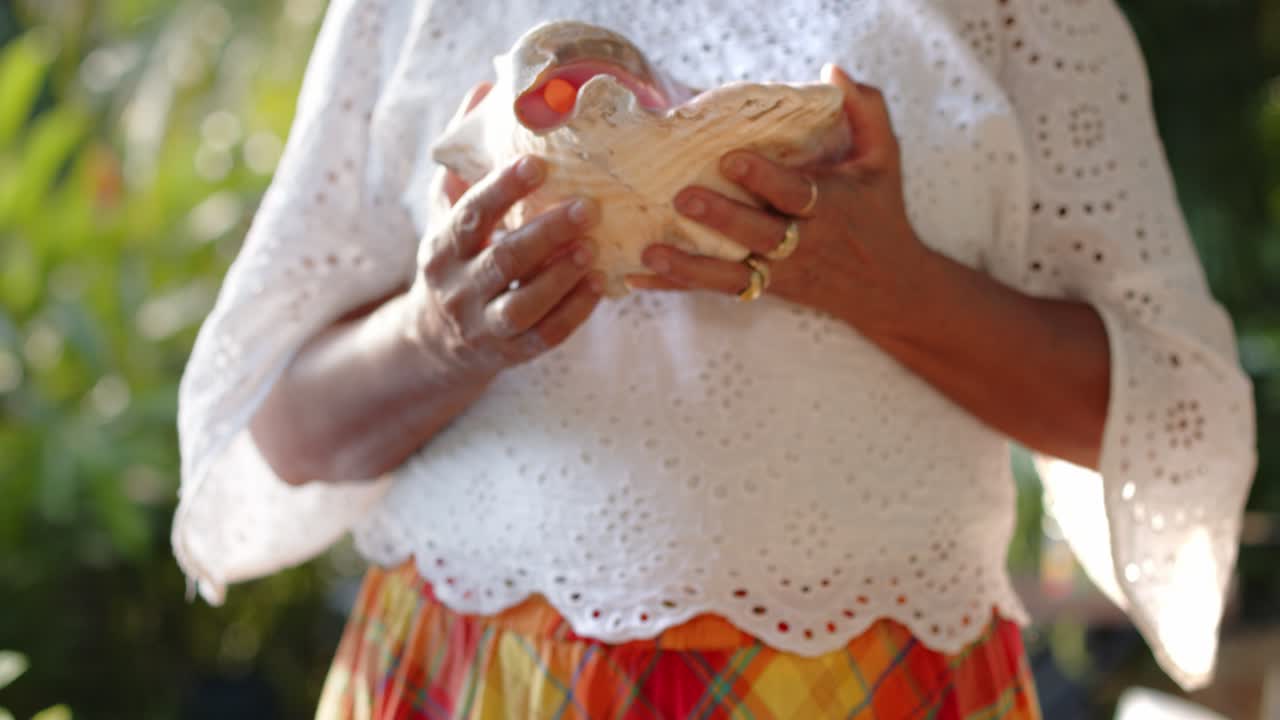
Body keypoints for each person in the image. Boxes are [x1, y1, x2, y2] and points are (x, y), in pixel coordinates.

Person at [172, 0, 1257, 717]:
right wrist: (438, 333)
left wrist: (889, 282)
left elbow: (1161, 417)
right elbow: (284, 426)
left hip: (877, 685)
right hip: (470, 678)